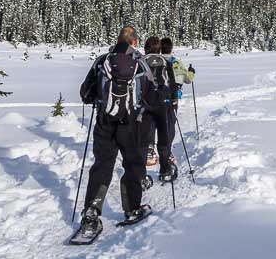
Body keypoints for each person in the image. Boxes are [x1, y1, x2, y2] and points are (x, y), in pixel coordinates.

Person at [74, 25, 151, 243]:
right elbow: (150, 95)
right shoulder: (140, 63)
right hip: (131, 123)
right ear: (134, 42)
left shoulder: (102, 61)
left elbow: (85, 93)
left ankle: (91, 212)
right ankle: (132, 209)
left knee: (102, 165)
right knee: (133, 163)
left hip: (104, 121)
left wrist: (99, 100)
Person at [139, 36, 177, 183]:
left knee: (144, 135)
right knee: (164, 136)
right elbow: (172, 83)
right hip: (163, 102)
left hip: (145, 102)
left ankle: (141, 174)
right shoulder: (165, 62)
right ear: (159, 48)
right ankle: (165, 170)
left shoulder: (140, 62)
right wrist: (173, 99)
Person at [161, 37, 194, 145]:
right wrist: (191, 72)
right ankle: (167, 148)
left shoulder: (156, 61)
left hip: (158, 97)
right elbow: (188, 79)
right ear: (171, 48)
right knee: (171, 123)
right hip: (173, 97)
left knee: (155, 122)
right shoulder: (177, 63)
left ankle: (150, 149)